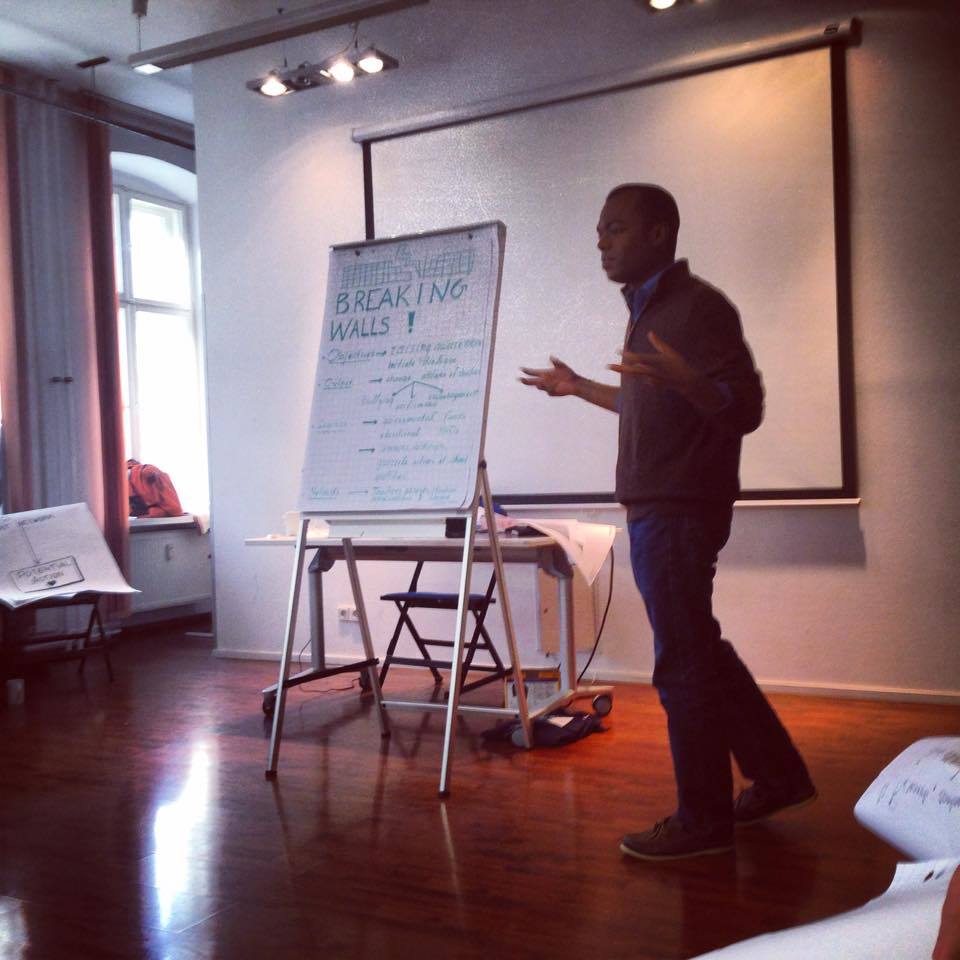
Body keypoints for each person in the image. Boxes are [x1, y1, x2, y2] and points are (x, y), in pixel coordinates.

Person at [520, 183, 815, 861]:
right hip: (662, 506)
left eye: (614, 228)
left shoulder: (697, 308)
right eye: (600, 230)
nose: (601, 241)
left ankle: (703, 821)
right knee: (699, 650)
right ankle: (779, 776)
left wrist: (690, 383)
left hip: (680, 510)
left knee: (682, 662)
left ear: (658, 233)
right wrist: (578, 389)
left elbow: (743, 409)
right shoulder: (652, 309)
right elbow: (646, 405)